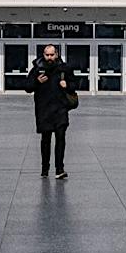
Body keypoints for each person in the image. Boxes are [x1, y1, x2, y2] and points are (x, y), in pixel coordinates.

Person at [22, 42, 77, 179]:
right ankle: (44, 169)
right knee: (45, 140)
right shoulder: (37, 69)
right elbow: (27, 87)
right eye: (47, 55)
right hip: (43, 109)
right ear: (43, 55)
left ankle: (59, 169)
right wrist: (37, 82)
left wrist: (67, 85)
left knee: (60, 138)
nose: (49, 57)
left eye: (52, 54)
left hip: (60, 109)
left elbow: (75, 84)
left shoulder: (64, 69)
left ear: (57, 54)